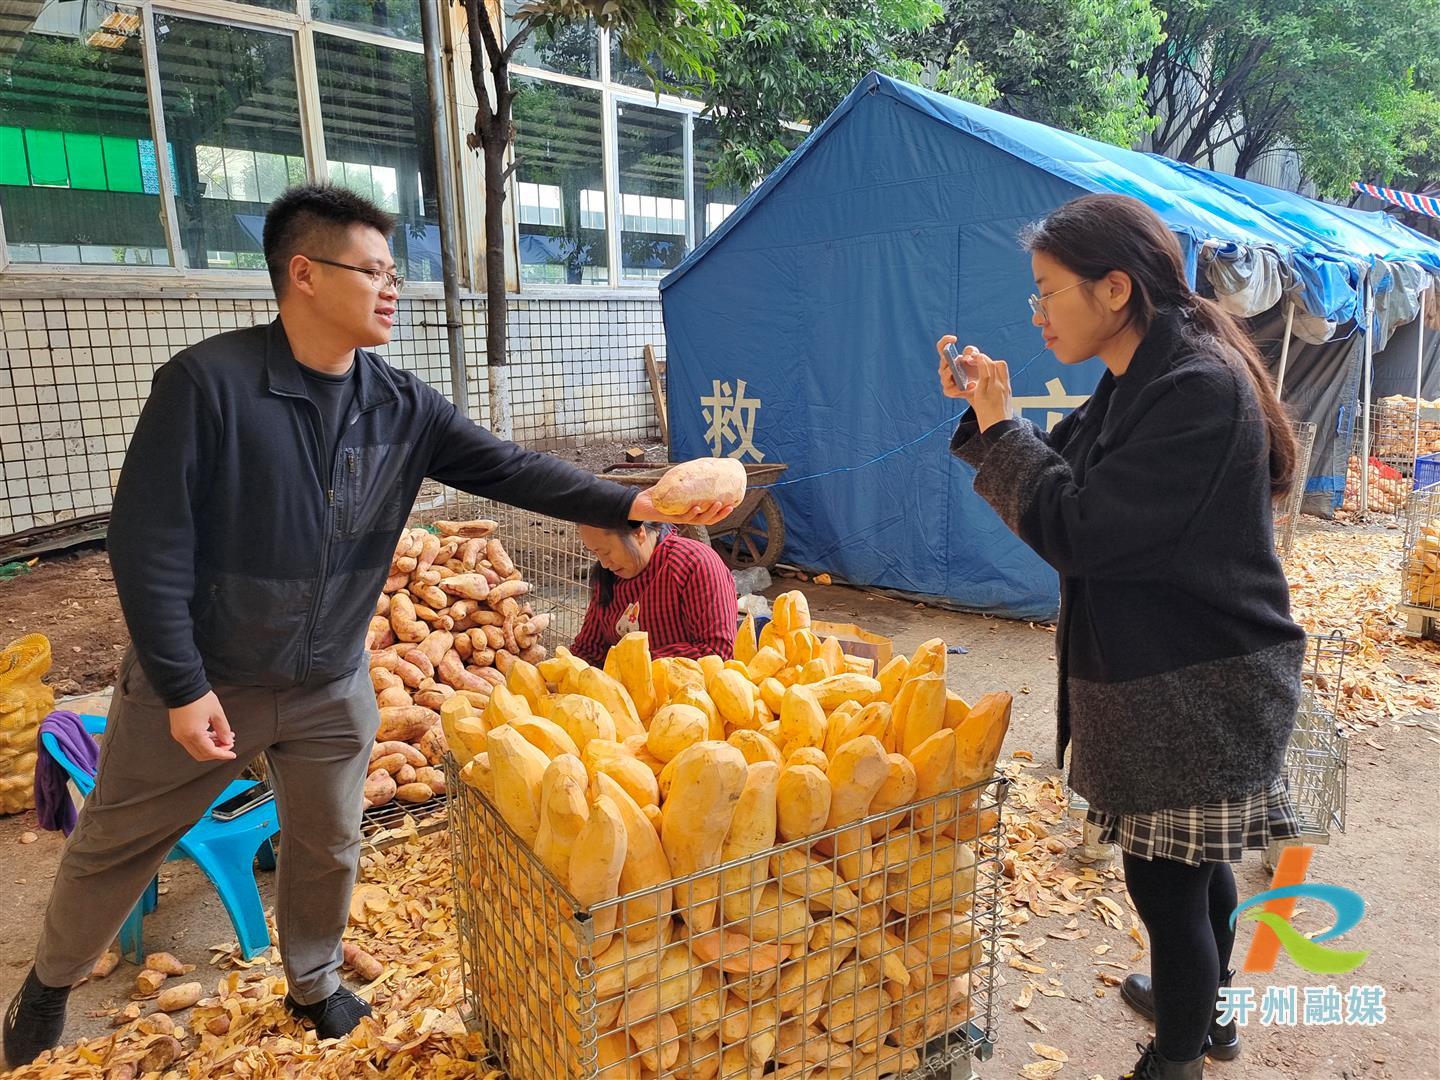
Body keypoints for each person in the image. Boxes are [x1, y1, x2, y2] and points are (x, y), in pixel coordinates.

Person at [3, 184, 731, 1068]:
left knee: (329, 843)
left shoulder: (401, 404)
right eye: (375, 271)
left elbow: (511, 468)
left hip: (329, 680)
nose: (395, 289)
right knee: (118, 838)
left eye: (398, 273)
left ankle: (312, 981)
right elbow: (145, 544)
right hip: (204, 675)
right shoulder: (207, 388)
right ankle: (49, 982)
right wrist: (183, 685)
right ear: (303, 273)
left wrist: (635, 500)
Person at [940, 194, 1305, 1080]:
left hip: (1199, 685)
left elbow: (1079, 527)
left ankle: (1179, 1051)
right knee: (1194, 863)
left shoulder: (1196, 389)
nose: (1037, 314)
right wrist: (994, 410)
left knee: (1166, 881)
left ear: (1113, 289)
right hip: (1169, 675)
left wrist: (1000, 431)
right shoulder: (1140, 373)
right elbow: (1059, 465)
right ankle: (1208, 1009)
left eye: (1045, 293)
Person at [571, 520, 738, 664]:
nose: (604, 563)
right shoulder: (608, 576)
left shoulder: (693, 563)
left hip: (692, 693)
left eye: (606, 552)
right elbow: (589, 650)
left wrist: (635, 664)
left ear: (638, 533)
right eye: (596, 553)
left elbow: (717, 651)